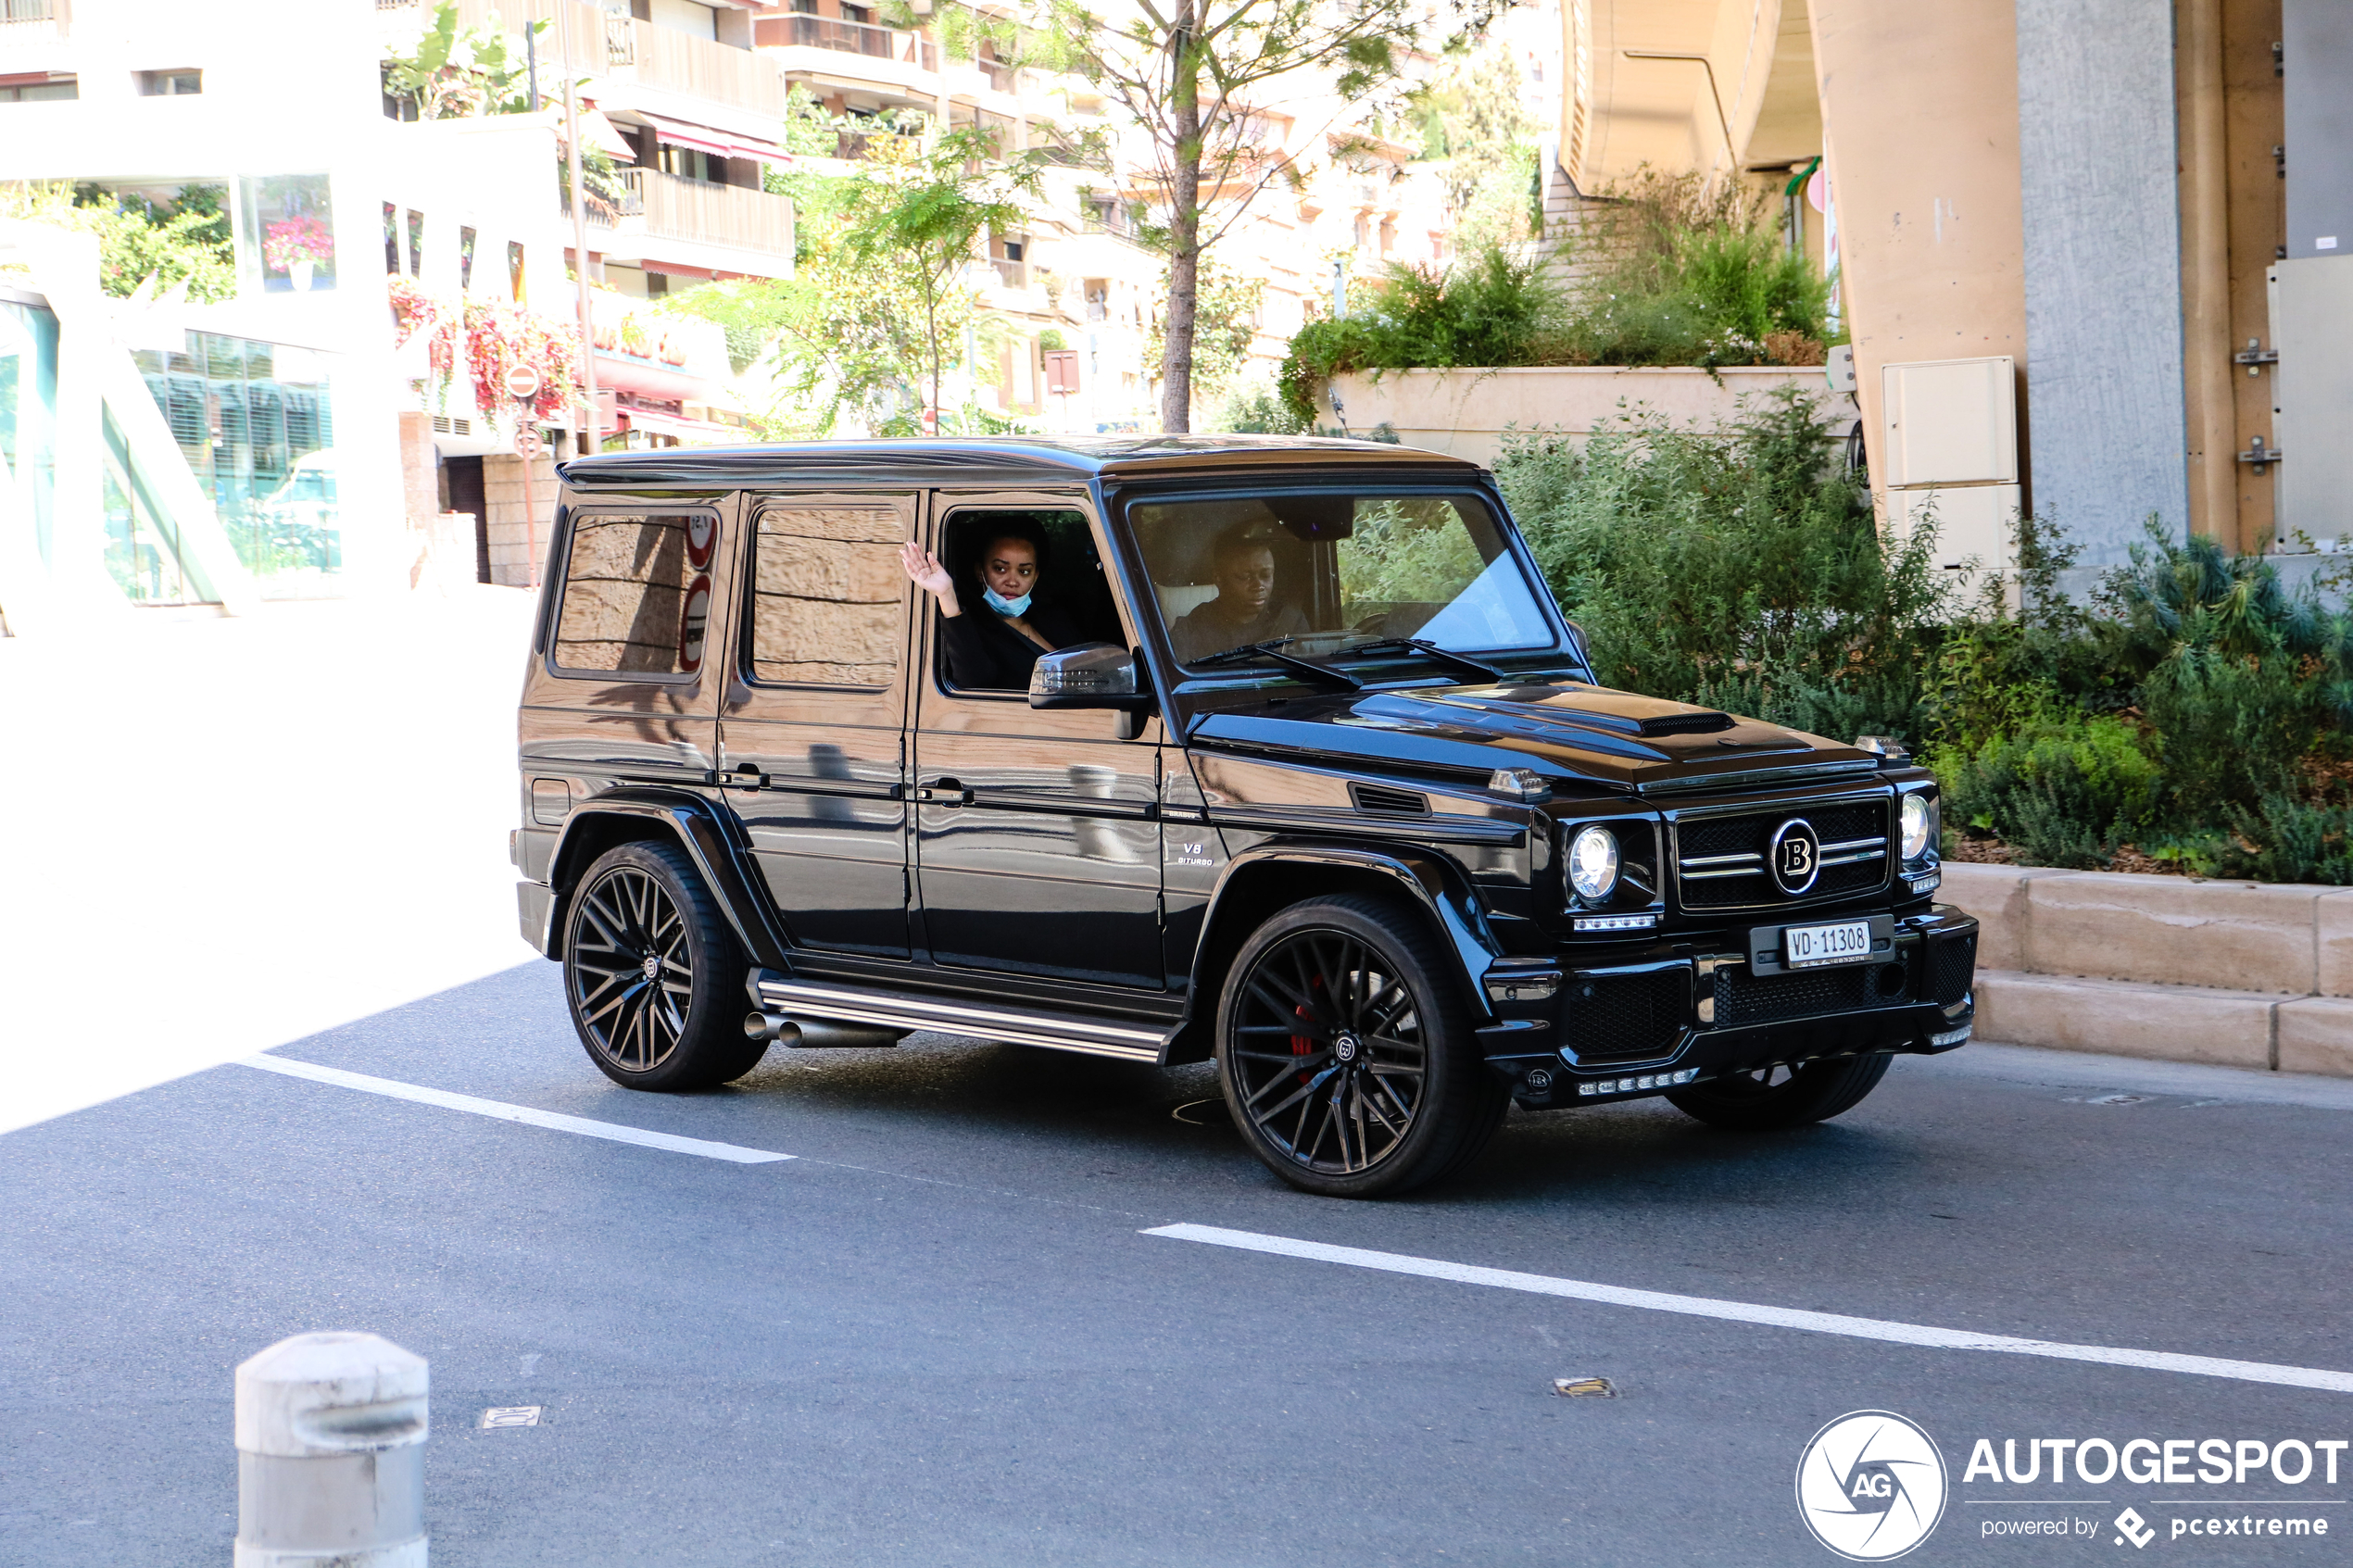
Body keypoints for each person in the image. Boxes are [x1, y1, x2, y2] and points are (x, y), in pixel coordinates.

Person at [900, 522, 1085, 690]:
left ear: (1035, 577)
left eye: (1024, 571)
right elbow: (972, 681)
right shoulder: (974, 632)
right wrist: (946, 594)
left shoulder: (1054, 618)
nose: (1012, 581)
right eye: (1000, 568)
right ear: (980, 572)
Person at [1168, 526, 1308, 662]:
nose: (1258, 586)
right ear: (1219, 579)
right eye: (1244, 577)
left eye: (1266, 576)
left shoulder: (1291, 621)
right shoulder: (1191, 630)